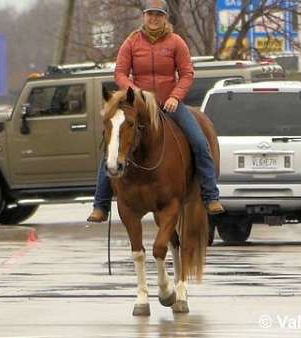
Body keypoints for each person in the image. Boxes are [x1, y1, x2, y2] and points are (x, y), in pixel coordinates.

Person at [87, 0, 224, 222]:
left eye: (158, 15)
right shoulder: (131, 42)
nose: (154, 18)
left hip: (169, 104)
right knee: (111, 148)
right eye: (150, 14)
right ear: (144, 16)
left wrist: (175, 97)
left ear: (165, 18)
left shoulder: (176, 42)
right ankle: (100, 205)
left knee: (200, 142)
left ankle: (210, 195)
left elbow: (187, 74)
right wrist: (134, 91)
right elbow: (120, 73)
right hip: (140, 106)